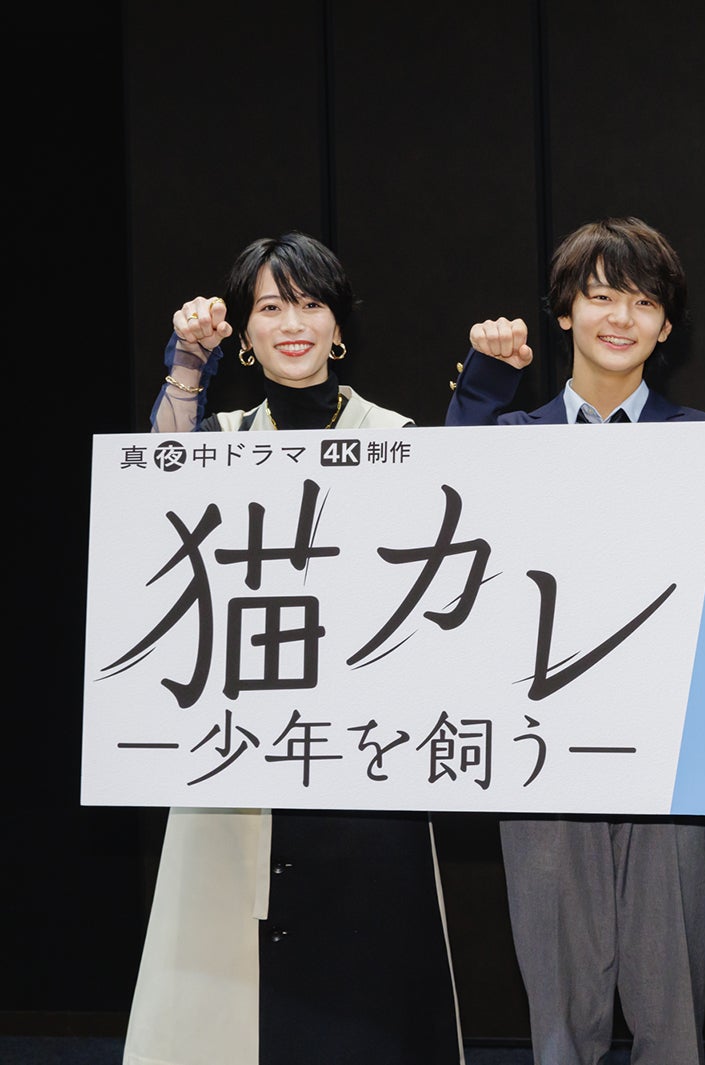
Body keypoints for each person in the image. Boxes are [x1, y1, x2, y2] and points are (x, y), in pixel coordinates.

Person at [127, 232, 463, 1065]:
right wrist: (187, 362)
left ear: (338, 324)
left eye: (310, 304)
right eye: (271, 306)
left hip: (364, 755)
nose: (292, 323)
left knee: (366, 991)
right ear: (244, 331)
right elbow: (157, 487)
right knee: (231, 1003)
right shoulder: (223, 434)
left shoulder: (393, 434)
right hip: (243, 749)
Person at [445, 217, 705, 1065]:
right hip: (541, 739)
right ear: (565, 310)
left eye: (643, 302)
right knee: (560, 997)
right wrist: (484, 381)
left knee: (671, 991)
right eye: (600, 295)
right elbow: (443, 508)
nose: (620, 317)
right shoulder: (510, 437)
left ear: (666, 326)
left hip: (670, 741)